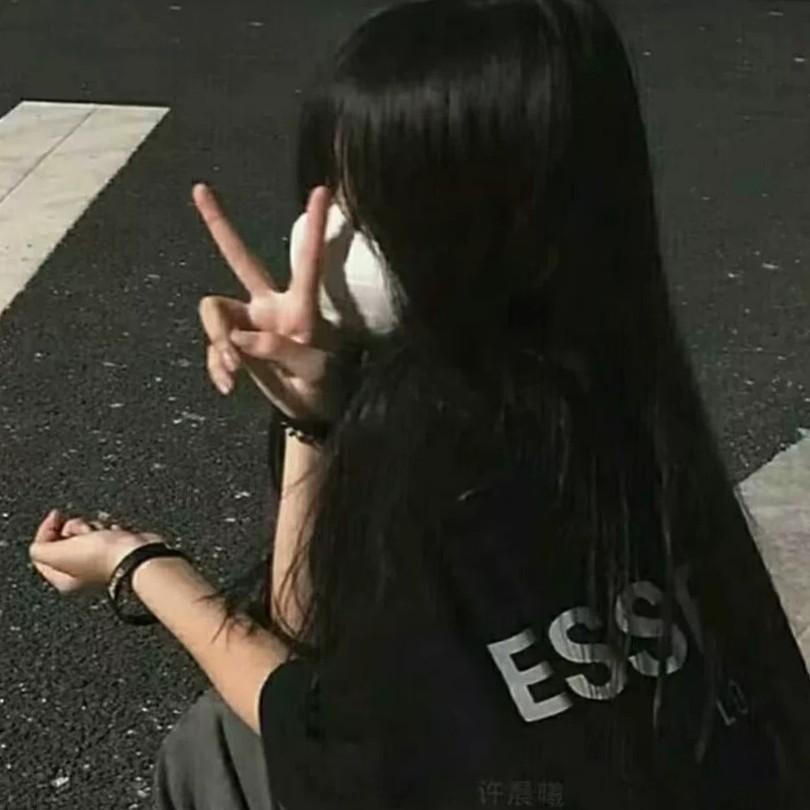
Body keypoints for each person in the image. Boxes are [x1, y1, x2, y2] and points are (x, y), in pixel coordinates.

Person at [28, 0, 810, 808]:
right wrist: (310, 418)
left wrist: (140, 567)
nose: (324, 239)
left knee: (214, 749)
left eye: (366, 209)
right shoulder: (622, 392)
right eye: (327, 198)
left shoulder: (433, 433)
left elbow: (318, 730)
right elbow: (330, 655)